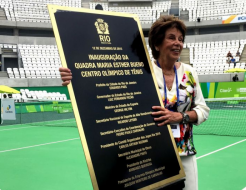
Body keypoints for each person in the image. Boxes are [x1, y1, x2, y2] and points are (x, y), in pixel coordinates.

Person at [60, 15, 210, 190]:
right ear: (157, 44)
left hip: (184, 151)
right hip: (150, 154)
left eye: (180, 39)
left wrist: (180, 116)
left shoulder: (190, 72)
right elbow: (105, 87)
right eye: (171, 38)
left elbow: (203, 110)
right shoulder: (141, 70)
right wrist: (74, 78)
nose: (178, 43)